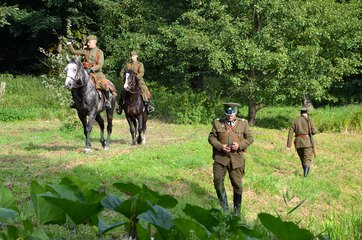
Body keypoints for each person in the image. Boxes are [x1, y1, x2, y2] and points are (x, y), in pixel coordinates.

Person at [208, 103, 254, 214]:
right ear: (225, 112)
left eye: (232, 113)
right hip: (220, 158)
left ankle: (237, 211)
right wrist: (220, 146)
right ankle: (224, 207)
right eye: (228, 113)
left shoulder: (243, 123)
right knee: (217, 182)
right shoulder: (217, 122)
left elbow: (250, 138)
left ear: (236, 112)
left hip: (236, 159)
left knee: (237, 185)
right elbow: (211, 137)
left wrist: (240, 145)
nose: (230, 116)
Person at [67, 35, 111, 109]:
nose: (87, 44)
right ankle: (75, 101)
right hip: (85, 72)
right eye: (87, 42)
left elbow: (100, 65)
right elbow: (73, 51)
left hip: (97, 73)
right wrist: (69, 42)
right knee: (75, 84)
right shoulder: (86, 51)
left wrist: (91, 69)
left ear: (94, 42)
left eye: (89, 42)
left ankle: (107, 101)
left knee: (105, 84)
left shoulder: (99, 52)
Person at [286, 107, 318, 177]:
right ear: (307, 113)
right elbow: (314, 131)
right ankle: (305, 176)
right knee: (307, 159)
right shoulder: (309, 120)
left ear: (300, 113)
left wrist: (289, 145)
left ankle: (304, 174)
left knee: (302, 159)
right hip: (307, 142)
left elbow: (290, 132)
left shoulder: (295, 120)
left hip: (298, 143)